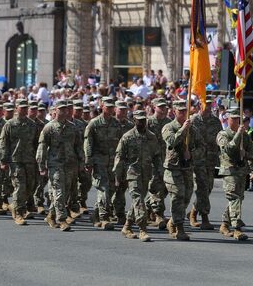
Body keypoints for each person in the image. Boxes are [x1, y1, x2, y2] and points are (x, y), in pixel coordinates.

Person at [113, 110, 162, 242]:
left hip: (146, 174)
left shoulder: (151, 136)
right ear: (134, 121)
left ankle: (127, 226)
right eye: (139, 120)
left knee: (137, 201)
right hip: (132, 173)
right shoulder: (127, 137)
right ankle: (142, 229)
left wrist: (160, 171)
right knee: (138, 200)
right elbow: (119, 157)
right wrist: (117, 176)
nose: (142, 122)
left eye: (143, 120)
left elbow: (157, 155)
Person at [162, 100, 204, 241]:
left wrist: (191, 154)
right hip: (173, 169)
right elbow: (172, 142)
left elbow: (201, 147)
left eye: (185, 112)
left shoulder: (193, 130)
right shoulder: (168, 127)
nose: (183, 114)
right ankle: (180, 228)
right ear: (174, 112)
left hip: (187, 168)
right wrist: (183, 130)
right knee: (178, 196)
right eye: (180, 112)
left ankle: (173, 221)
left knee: (186, 197)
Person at [37, 100, 81, 231]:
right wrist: (41, 165)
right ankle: (61, 219)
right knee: (59, 191)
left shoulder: (72, 127)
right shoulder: (49, 127)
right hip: (55, 164)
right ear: (55, 111)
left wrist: (82, 162)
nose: (64, 112)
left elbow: (78, 146)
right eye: (61, 109)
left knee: (65, 192)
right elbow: (42, 147)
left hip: (70, 164)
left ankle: (51, 215)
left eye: (66, 109)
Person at [216, 108, 253, 240]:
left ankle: (224, 224)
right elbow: (228, 149)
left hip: (241, 170)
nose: (236, 121)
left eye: (238, 119)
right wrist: (238, 134)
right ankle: (237, 228)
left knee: (238, 199)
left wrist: (247, 157)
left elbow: (252, 154)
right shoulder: (223, 134)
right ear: (227, 120)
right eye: (233, 119)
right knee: (234, 198)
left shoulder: (245, 136)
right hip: (229, 171)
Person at [0, 99, 39, 226]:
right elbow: (3, 143)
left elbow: (37, 143)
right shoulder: (9, 124)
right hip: (15, 161)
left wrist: (39, 160)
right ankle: (18, 213)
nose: (24, 110)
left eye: (26, 108)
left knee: (30, 187)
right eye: (22, 108)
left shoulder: (32, 125)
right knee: (20, 187)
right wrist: (3, 160)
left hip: (29, 160)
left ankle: (16, 205)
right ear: (17, 109)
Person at [84, 96, 121, 230]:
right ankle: (104, 218)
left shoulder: (116, 124)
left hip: (112, 162)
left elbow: (120, 144)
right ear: (102, 106)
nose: (110, 109)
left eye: (112, 107)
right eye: (108, 106)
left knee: (111, 189)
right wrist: (88, 162)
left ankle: (95, 214)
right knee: (103, 188)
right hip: (99, 160)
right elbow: (88, 143)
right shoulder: (94, 123)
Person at [189, 96, 222, 230]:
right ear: (198, 106)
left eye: (209, 105)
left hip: (211, 160)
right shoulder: (193, 121)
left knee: (208, 187)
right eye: (205, 105)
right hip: (197, 160)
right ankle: (204, 217)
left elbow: (220, 137)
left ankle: (193, 211)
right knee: (202, 187)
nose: (208, 107)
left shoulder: (215, 121)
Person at [145, 98, 171, 229]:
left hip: (166, 160)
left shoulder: (169, 123)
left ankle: (149, 208)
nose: (163, 109)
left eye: (164, 107)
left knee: (165, 188)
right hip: (152, 160)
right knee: (155, 187)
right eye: (160, 107)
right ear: (154, 107)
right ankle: (158, 214)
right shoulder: (148, 122)